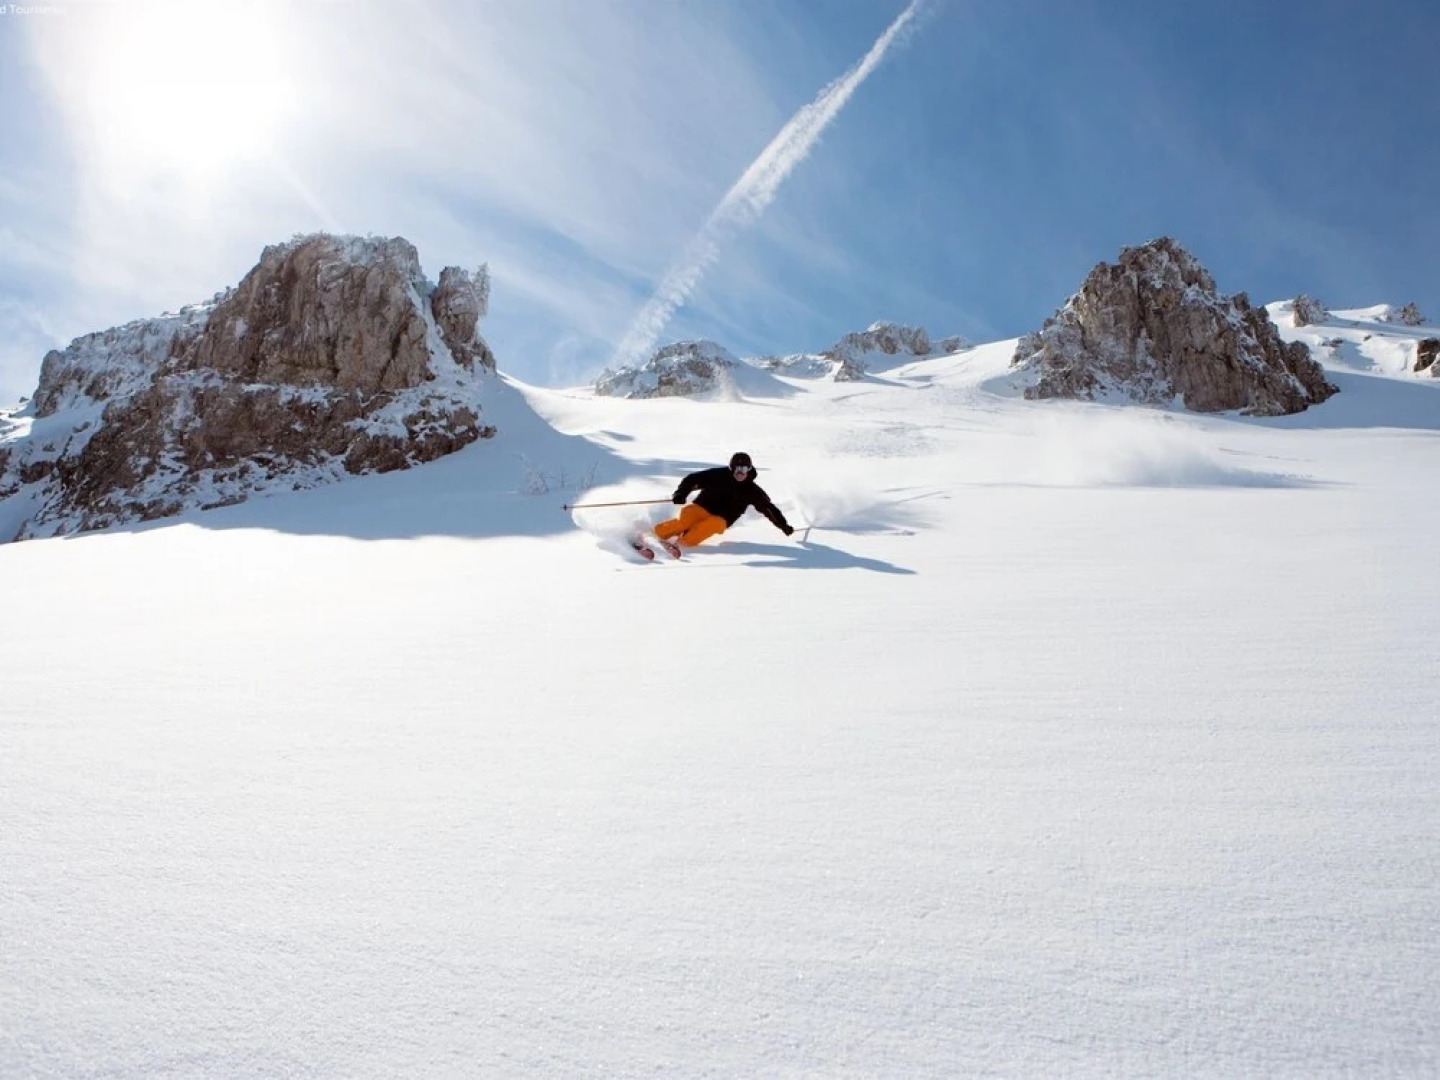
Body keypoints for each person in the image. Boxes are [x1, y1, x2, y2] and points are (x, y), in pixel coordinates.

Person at [654, 452, 795, 548]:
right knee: (685, 521)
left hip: (722, 519)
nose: (741, 472)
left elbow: (768, 508)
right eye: (738, 468)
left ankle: (682, 544)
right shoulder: (718, 475)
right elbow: (693, 479)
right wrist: (681, 493)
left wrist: (783, 525)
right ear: (732, 468)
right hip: (701, 508)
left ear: (749, 469)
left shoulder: (752, 490)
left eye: (745, 468)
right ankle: (656, 534)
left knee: (709, 526)